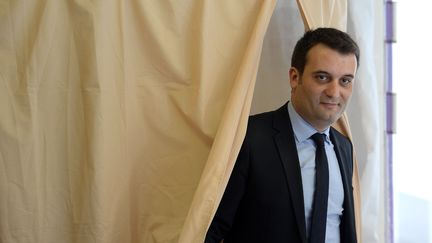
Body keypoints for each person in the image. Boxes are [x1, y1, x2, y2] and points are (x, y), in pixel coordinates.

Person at [205, 28, 360, 243]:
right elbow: (210, 230)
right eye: (322, 77)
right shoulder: (248, 138)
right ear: (295, 77)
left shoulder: (344, 147)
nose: (334, 92)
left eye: (345, 81)